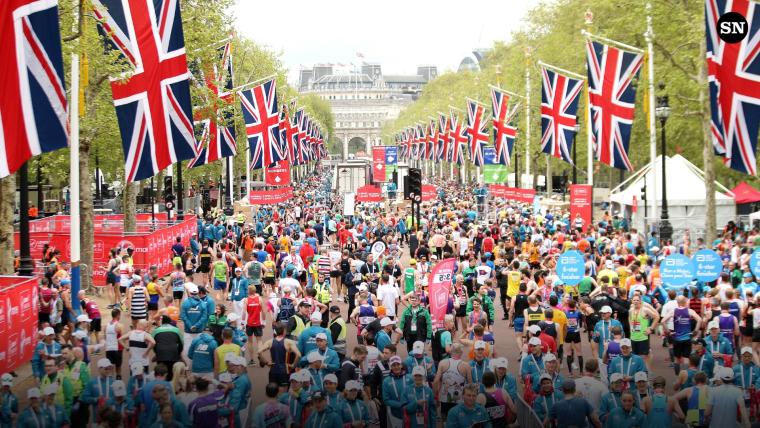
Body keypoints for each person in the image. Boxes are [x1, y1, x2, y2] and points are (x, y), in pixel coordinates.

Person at [382, 356, 408, 427]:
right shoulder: (386, 381)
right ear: (390, 367)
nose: (396, 367)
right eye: (393, 365)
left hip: (409, 412)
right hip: (395, 414)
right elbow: (386, 400)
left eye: (398, 364)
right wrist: (400, 404)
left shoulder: (410, 378)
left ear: (401, 365)